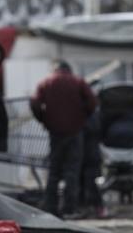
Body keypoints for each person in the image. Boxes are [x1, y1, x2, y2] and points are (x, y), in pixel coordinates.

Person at [30, 60, 97, 218]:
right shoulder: (78, 82)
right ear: (69, 69)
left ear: (55, 69)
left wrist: (44, 119)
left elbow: (34, 103)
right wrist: (83, 117)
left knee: (54, 170)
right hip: (75, 131)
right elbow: (92, 102)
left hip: (55, 132)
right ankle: (69, 208)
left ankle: (50, 207)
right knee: (72, 171)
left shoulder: (46, 83)